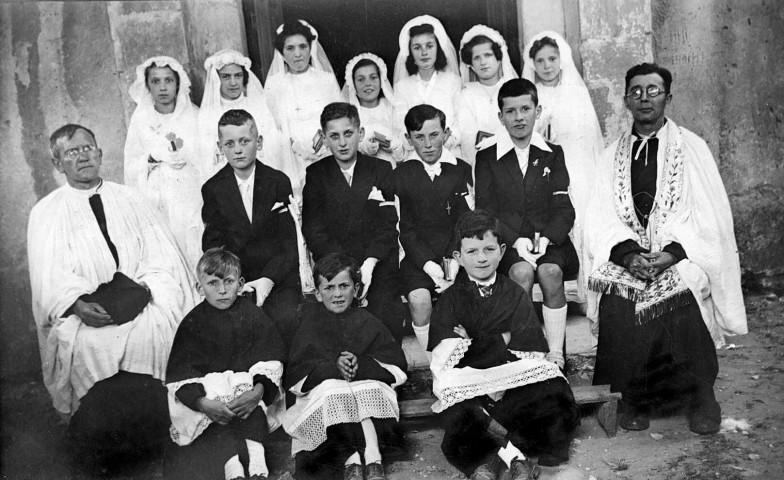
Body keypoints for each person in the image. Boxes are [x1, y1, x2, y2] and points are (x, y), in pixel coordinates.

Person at [584, 63, 747, 435]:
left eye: (653, 90)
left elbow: (710, 218)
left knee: (679, 293)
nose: (644, 98)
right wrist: (628, 255)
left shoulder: (693, 148)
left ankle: (701, 399)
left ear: (668, 98)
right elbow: (599, 219)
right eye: (636, 91)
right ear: (626, 99)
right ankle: (634, 398)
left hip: (681, 254)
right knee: (618, 297)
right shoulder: (610, 156)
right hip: (631, 257)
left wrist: (671, 253)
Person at [28, 124, 199, 472]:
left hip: (143, 301)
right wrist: (76, 304)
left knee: (156, 327)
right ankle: (110, 444)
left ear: (100, 153)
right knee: (91, 345)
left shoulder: (132, 198)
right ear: (57, 163)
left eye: (88, 148)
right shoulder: (46, 213)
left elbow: (162, 256)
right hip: (86, 313)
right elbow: (48, 278)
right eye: (71, 152)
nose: (82, 156)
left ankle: (161, 432)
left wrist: (149, 291)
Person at [428, 210, 579, 480]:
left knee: (554, 387)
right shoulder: (451, 299)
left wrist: (475, 343)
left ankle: (492, 455)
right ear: (458, 258)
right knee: (459, 406)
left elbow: (528, 349)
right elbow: (446, 358)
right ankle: (514, 457)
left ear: (502, 250)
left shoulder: (514, 294)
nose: (482, 258)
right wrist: (500, 339)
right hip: (469, 381)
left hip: (508, 380)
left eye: (489, 249)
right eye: (472, 252)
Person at [475, 79, 577, 370]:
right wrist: (514, 240)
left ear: (537, 110)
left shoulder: (552, 153)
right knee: (520, 273)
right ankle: (524, 351)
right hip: (507, 241)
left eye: (525, 109)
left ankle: (556, 353)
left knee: (551, 271)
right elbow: (485, 211)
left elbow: (564, 208)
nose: (519, 117)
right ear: (500, 117)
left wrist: (546, 239)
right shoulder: (487, 157)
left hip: (549, 241)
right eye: (510, 111)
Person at [164, 247, 287, 480]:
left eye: (228, 282)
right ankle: (233, 467)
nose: (222, 291)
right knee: (215, 401)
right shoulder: (192, 322)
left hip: (247, 398)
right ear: (199, 288)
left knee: (244, 385)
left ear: (240, 284)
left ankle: (256, 454)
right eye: (212, 283)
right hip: (211, 400)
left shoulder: (252, 314)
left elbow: (269, 357)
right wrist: (202, 402)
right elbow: (182, 372)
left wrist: (258, 391)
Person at [283, 253, 408, 480]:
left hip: (364, 391)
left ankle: (373, 457)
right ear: (318, 294)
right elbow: (297, 375)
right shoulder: (310, 326)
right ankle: (352, 460)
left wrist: (361, 365)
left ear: (356, 289)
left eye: (344, 286)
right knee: (333, 388)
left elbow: (395, 365)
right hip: (324, 393)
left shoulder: (368, 321)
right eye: (329, 288)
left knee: (364, 389)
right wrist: (333, 368)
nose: (338, 294)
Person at [302, 102, 403, 341]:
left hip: (375, 261)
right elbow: (313, 229)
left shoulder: (380, 168)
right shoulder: (316, 174)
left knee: (385, 310)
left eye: (348, 134)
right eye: (334, 136)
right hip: (335, 263)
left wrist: (368, 264)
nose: (343, 143)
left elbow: (389, 225)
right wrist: (343, 268)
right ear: (324, 139)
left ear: (360, 133)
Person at [201, 109, 301, 346]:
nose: (237, 149)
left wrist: (268, 278)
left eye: (244, 141)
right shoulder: (213, 188)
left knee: (286, 319)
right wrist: (235, 281)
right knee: (239, 328)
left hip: (277, 276)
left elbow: (289, 243)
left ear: (259, 142)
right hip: (239, 279)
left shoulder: (277, 181)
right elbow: (213, 245)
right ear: (220, 146)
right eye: (230, 143)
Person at [522, 31, 604, 300]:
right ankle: (554, 292)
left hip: (577, 165)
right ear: (532, 64)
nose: (547, 66)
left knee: (581, 220)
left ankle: (588, 293)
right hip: (546, 166)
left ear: (561, 60)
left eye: (552, 59)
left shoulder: (576, 92)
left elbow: (590, 136)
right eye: (541, 60)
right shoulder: (531, 95)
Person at [394, 104, 473, 353]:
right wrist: (428, 264)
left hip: (457, 255)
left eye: (434, 135)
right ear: (408, 139)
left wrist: (454, 261)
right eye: (419, 137)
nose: (427, 144)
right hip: (419, 258)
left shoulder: (461, 169)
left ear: (446, 134)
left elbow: (466, 222)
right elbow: (404, 229)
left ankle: (470, 357)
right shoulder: (401, 175)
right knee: (419, 300)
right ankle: (434, 363)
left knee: (472, 296)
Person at [124, 56, 204, 270]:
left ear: (178, 83)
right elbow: (131, 163)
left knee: (193, 240)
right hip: (159, 195)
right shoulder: (140, 119)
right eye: (155, 81)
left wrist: (187, 156)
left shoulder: (194, 115)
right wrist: (152, 158)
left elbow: (207, 156)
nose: (162, 87)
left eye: (168, 80)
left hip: (190, 193)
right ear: (147, 85)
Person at [265, 19, 342, 193]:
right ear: (282, 53)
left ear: (311, 48)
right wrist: (294, 146)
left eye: (302, 46)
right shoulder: (274, 85)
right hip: (291, 159)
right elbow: (271, 126)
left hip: (325, 153)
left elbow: (338, 119)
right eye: (290, 48)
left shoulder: (326, 80)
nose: (297, 54)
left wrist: (322, 145)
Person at [197, 49, 283, 184]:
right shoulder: (208, 114)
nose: (233, 83)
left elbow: (272, 146)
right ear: (216, 79)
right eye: (226, 77)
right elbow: (206, 157)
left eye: (238, 76)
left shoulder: (258, 106)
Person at [393, 15, 463, 158]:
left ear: (438, 47)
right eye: (417, 47)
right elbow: (400, 126)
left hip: (449, 152)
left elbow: (461, 121)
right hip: (415, 156)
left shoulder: (452, 81)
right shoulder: (402, 86)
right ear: (410, 52)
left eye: (430, 46)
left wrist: (446, 140)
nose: (424, 52)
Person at [457, 25, 519, 167]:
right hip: (479, 164)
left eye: (488, 55)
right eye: (476, 58)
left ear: (498, 58)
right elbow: (467, 135)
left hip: (513, 160)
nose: (483, 62)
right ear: (471, 65)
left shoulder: (515, 88)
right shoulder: (466, 94)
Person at [343, 53, 406, 167]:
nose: (368, 84)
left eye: (373, 78)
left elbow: (403, 156)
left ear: (381, 80)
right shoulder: (349, 114)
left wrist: (395, 147)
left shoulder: (392, 109)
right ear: (353, 84)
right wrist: (363, 146)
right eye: (361, 79)